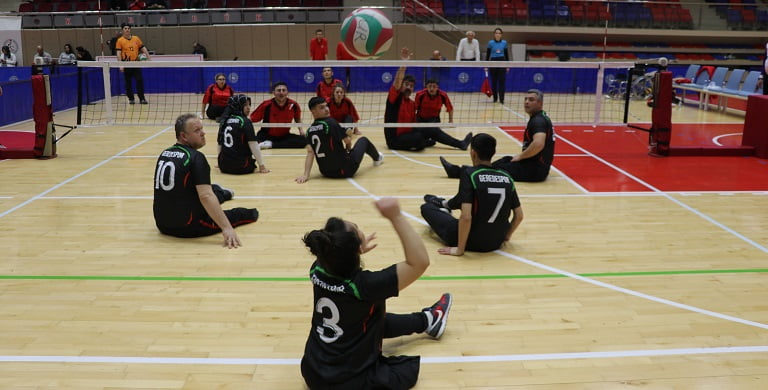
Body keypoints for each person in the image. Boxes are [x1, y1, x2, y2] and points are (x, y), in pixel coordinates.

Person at [300, 197, 452, 389]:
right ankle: (429, 320)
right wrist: (396, 217)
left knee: (371, 318)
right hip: (348, 382)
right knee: (405, 371)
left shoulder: (317, 269)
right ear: (355, 248)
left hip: (312, 371)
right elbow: (419, 262)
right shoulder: (366, 286)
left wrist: (353, 252)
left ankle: (429, 320)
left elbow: (338, 258)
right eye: (356, 227)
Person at [153, 113, 259, 248]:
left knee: (208, 189)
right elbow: (205, 196)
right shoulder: (196, 157)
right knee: (243, 214)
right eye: (197, 131)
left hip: (162, 224)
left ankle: (221, 192)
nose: (203, 133)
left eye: (202, 129)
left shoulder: (164, 153)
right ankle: (225, 196)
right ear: (184, 136)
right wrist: (226, 228)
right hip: (187, 226)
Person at [422, 133, 523, 256]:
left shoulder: (470, 174)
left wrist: (460, 249)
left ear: (473, 153)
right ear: (494, 152)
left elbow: (466, 217)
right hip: (496, 241)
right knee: (471, 199)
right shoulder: (506, 176)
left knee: (426, 208)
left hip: (470, 240)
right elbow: (519, 216)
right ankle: (446, 204)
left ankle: (444, 206)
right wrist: (505, 237)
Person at [440, 89, 555, 182]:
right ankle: (473, 169)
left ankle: (457, 172)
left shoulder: (538, 121)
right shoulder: (540, 117)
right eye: (525, 99)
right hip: (534, 165)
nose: (526, 102)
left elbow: (538, 144)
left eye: (531, 100)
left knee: (494, 171)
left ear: (540, 103)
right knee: (505, 160)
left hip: (534, 171)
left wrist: (520, 156)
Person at [384, 47, 471, 152]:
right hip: (395, 139)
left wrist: (427, 129)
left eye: (411, 86)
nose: (408, 87)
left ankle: (460, 144)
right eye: (406, 84)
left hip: (408, 132)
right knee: (419, 139)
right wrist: (404, 63)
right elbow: (397, 81)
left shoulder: (411, 104)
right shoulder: (395, 98)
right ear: (401, 86)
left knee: (431, 129)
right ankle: (424, 142)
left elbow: (413, 123)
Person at [296, 97, 383, 183]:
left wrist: (306, 175)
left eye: (326, 106)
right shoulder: (331, 123)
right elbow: (347, 141)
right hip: (345, 171)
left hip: (325, 172)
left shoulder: (309, 131)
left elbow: (310, 152)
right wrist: (348, 150)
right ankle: (377, 158)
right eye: (322, 107)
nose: (326, 109)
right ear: (313, 111)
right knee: (364, 140)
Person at [217, 95, 269, 175]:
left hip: (223, 166)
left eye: (249, 105)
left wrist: (219, 162)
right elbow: (253, 145)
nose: (248, 108)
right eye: (245, 105)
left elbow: (220, 143)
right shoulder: (245, 121)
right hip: (242, 167)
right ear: (238, 106)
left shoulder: (224, 120)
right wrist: (261, 166)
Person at [249, 81, 304, 149]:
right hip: (266, 135)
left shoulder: (293, 105)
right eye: (278, 90)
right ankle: (272, 144)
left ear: (287, 92)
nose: (281, 92)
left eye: (284, 90)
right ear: (274, 93)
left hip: (284, 136)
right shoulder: (266, 105)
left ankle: (271, 144)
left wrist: (301, 130)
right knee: (251, 142)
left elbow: (297, 118)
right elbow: (252, 119)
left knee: (304, 141)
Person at [115, 23, 150, 104]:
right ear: (122, 30)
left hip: (136, 63)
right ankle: (131, 99)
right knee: (128, 82)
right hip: (126, 64)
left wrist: (149, 58)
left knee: (139, 80)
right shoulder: (120, 40)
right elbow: (118, 54)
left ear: (130, 29)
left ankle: (142, 98)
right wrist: (120, 65)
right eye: (125, 28)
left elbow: (143, 48)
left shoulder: (136, 38)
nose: (127, 30)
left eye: (128, 28)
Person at [486, 28, 509, 104]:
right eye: (496, 33)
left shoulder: (504, 43)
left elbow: (506, 55)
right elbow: (487, 55)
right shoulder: (490, 43)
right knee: (494, 82)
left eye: (499, 33)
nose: (498, 34)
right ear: (494, 34)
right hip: (493, 62)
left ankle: (502, 99)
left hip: (502, 61)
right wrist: (486, 65)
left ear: (501, 34)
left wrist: (507, 65)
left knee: (502, 82)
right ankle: (495, 98)